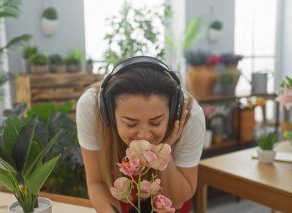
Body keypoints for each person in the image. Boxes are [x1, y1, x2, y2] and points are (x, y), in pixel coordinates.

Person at [76, 56, 205, 212]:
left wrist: (164, 152)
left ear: (172, 113)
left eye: (156, 122)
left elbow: (177, 202)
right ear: (108, 113)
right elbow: (97, 183)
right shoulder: (91, 108)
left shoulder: (191, 117)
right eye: (130, 123)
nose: (144, 136)